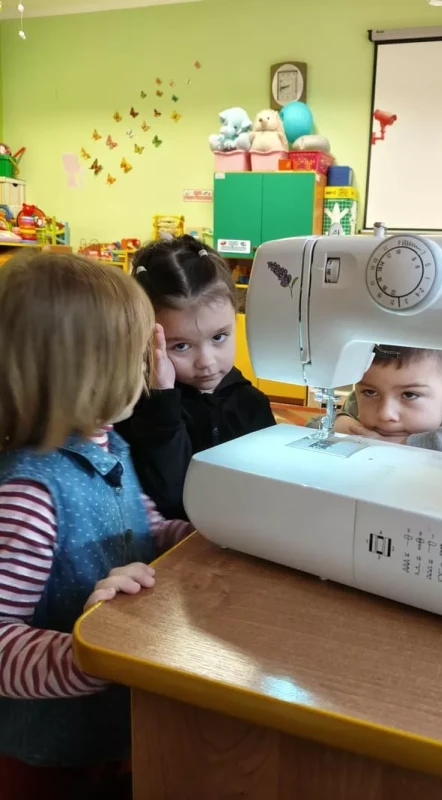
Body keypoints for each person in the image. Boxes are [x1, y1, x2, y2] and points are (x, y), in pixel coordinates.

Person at [0, 253, 193, 800]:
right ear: (92, 373)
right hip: (50, 756)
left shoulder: (107, 442)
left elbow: (144, 527)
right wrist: (89, 654)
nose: (151, 370)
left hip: (111, 724)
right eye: (139, 357)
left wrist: (199, 539)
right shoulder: (28, 497)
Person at [116, 236, 276, 520]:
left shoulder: (251, 403)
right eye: (181, 346)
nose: (207, 362)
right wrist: (162, 401)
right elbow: (169, 497)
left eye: (219, 337)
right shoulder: (135, 411)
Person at [329, 345, 442, 460]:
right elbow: (319, 425)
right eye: (370, 392)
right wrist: (340, 423)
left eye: (409, 395)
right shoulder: (357, 401)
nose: (385, 414)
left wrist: (400, 443)